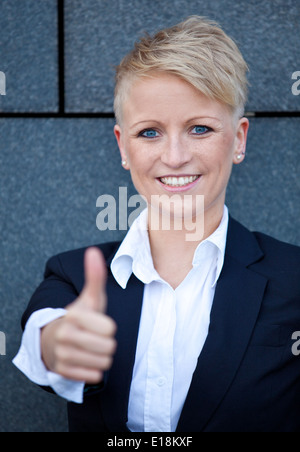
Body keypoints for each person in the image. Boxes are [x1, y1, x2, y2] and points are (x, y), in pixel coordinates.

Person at [14, 16, 300, 432]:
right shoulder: (73, 275)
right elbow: (45, 335)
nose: (175, 156)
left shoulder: (294, 277)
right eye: (150, 133)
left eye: (199, 128)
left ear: (238, 139)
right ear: (122, 146)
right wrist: (59, 346)